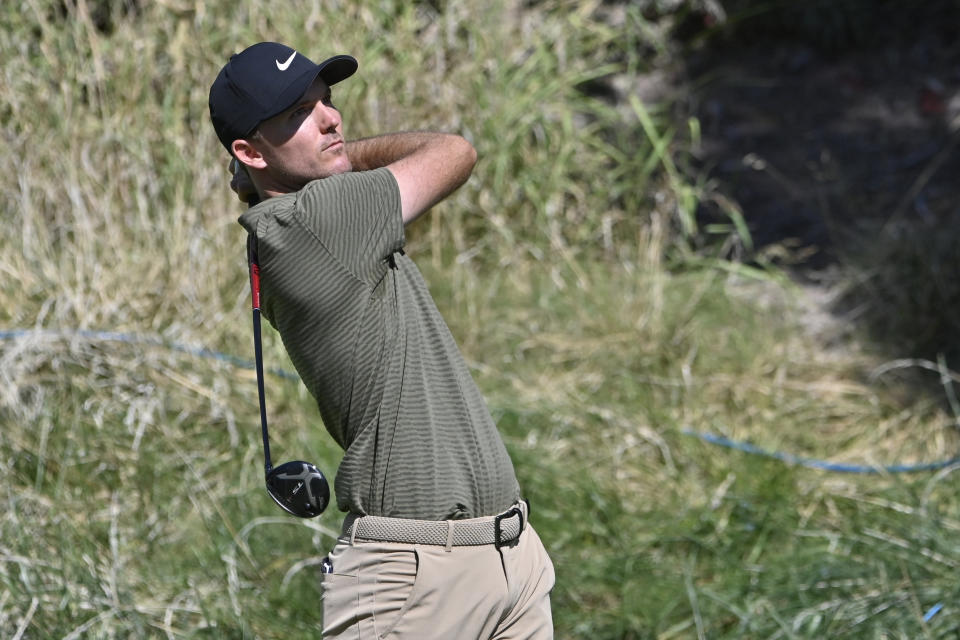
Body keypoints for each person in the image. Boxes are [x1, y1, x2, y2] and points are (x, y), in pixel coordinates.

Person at [208, 41, 555, 639]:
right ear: (249, 151)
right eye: (299, 115)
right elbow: (453, 152)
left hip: (508, 559)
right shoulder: (315, 219)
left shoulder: (312, 216)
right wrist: (346, 157)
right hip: (416, 579)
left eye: (327, 102)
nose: (330, 119)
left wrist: (317, 157)